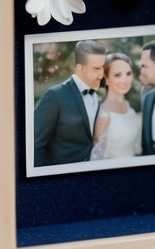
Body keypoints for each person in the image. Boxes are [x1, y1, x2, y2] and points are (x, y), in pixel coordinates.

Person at [33, 39, 106, 167]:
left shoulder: (99, 95)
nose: (101, 74)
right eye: (96, 69)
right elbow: (34, 147)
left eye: (103, 68)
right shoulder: (54, 96)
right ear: (80, 68)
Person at [91, 52, 142, 160]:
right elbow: (96, 159)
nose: (125, 80)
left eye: (128, 73)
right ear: (106, 78)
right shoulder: (103, 116)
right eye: (117, 75)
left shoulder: (129, 108)